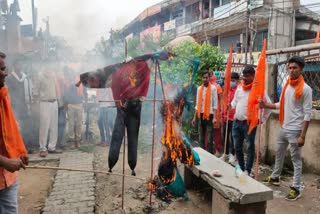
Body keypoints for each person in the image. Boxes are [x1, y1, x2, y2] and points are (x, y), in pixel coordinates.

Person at [261, 56, 312, 201]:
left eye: (295, 67)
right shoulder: (287, 86)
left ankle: (296, 187)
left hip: (296, 130)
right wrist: (265, 106)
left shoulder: (306, 89)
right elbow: (281, 104)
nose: (292, 70)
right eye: (289, 67)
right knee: (279, 153)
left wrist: (303, 135)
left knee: (296, 160)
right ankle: (275, 177)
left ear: (301, 69)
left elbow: (308, 114)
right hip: (284, 127)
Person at [0, 54, 29, 213]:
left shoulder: (3, 94)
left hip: (7, 179)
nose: (5, 73)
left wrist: (20, 152)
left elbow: (11, 127)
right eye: (0, 69)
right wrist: (4, 161)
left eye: (4, 68)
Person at [230, 65, 270, 176]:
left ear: (253, 76)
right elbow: (235, 102)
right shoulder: (240, 88)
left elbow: (266, 106)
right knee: (237, 147)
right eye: (244, 76)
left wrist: (262, 119)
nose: (245, 78)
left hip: (249, 124)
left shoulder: (259, 89)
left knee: (249, 147)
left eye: (247, 76)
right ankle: (241, 167)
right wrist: (230, 105)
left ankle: (248, 170)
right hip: (236, 122)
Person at [33, 63, 62, 157]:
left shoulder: (53, 75)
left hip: (54, 103)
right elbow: (35, 92)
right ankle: (42, 148)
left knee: (54, 126)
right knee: (44, 126)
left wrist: (59, 100)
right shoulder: (40, 76)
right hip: (44, 103)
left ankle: (52, 147)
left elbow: (57, 89)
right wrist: (36, 105)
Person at [192, 70, 218, 154]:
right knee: (201, 137)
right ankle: (202, 154)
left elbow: (215, 104)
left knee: (210, 138)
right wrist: (194, 118)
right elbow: (197, 104)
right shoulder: (199, 89)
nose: (205, 79)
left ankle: (210, 154)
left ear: (209, 78)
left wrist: (214, 117)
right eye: (204, 77)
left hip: (209, 115)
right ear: (202, 78)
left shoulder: (213, 89)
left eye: (207, 77)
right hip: (200, 115)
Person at [221, 72, 240, 164]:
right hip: (226, 117)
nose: (231, 82)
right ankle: (225, 153)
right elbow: (224, 103)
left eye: (233, 80)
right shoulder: (227, 90)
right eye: (230, 80)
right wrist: (223, 114)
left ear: (237, 81)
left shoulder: (239, 90)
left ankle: (233, 155)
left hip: (234, 118)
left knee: (233, 137)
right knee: (225, 135)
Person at [63, 70, 85, 148]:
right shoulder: (67, 82)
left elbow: (83, 92)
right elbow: (65, 93)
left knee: (79, 123)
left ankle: (78, 140)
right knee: (71, 124)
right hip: (71, 104)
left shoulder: (80, 81)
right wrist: (66, 104)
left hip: (79, 104)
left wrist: (84, 101)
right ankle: (72, 141)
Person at [209, 71, 223, 156]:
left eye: (211, 75)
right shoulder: (206, 86)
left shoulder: (217, 87)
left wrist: (221, 111)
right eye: (209, 75)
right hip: (208, 112)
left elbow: (221, 99)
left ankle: (217, 150)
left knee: (216, 132)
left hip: (216, 112)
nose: (210, 77)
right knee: (208, 131)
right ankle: (209, 149)